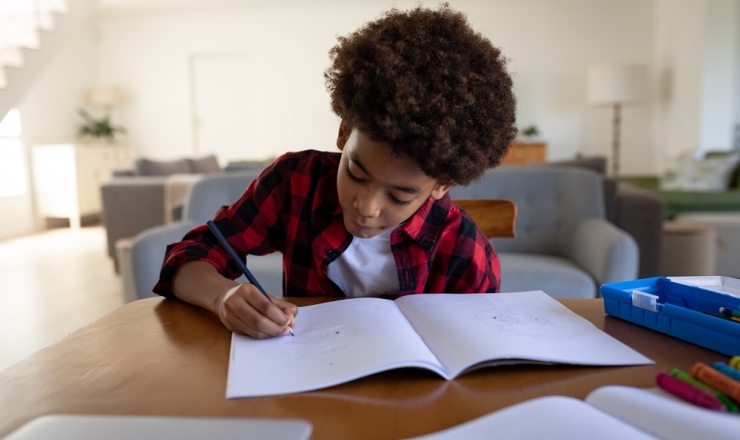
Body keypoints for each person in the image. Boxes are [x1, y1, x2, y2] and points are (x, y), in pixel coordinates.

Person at [153, 4, 517, 339]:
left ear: (442, 184)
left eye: (400, 195)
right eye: (356, 174)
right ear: (343, 131)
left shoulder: (466, 252)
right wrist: (223, 296)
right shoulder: (295, 183)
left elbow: (474, 356)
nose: (366, 206)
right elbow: (189, 255)